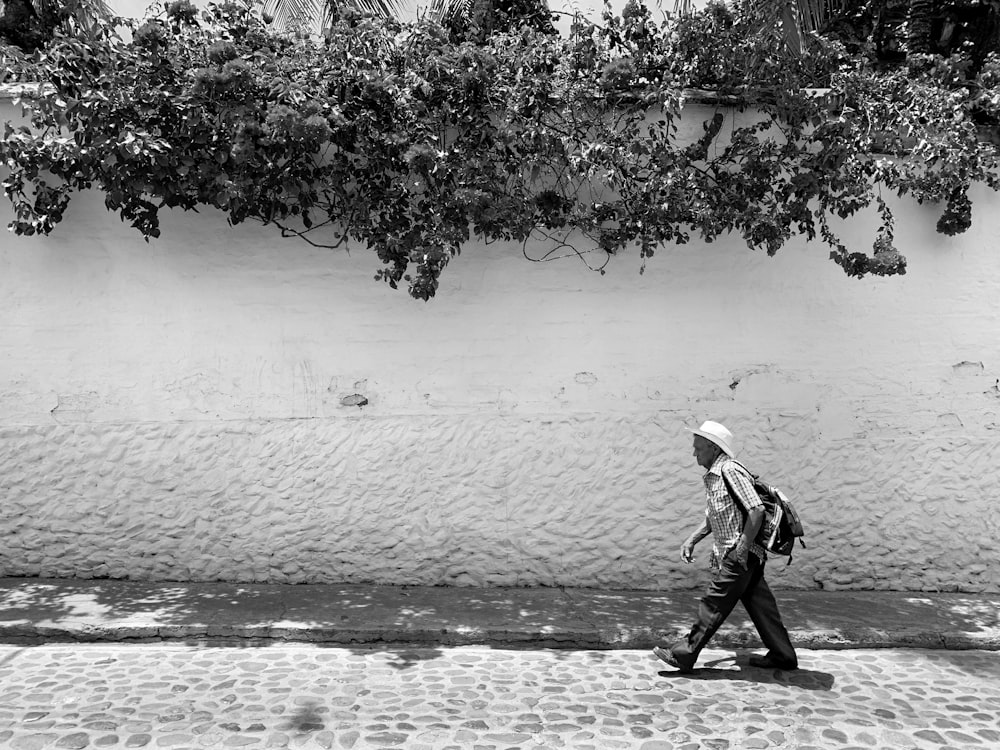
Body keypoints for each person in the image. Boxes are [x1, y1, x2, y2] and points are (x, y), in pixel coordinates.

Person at [653, 420, 798, 673]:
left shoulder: (730, 470)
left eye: (698, 447)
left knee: (713, 604)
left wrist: (741, 548)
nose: (694, 452)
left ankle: (684, 654)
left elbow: (756, 510)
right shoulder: (715, 476)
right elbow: (715, 517)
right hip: (744, 555)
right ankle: (783, 655)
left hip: (739, 555)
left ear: (712, 447)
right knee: (762, 607)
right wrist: (692, 539)